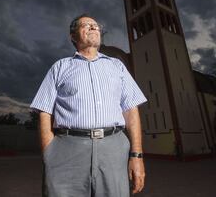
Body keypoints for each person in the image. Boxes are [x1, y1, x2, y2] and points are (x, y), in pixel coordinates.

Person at [30, 14, 147, 197]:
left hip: (114, 149)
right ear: (73, 36)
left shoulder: (117, 66)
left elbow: (131, 110)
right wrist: (49, 151)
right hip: (66, 149)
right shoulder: (60, 67)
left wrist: (137, 155)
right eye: (86, 25)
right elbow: (44, 110)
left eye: (96, 25)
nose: (93, 27)